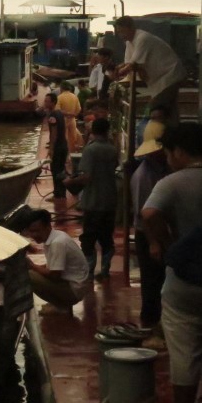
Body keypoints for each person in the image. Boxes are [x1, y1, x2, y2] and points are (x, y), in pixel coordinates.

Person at [141, 122, 202, 403]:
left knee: (184, 355)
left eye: (169, 152)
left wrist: (162, 243)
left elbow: (149, 213)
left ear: (181, 152)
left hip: (183, 282)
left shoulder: (170, 183)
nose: (168, 159)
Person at [64, 118, 118, 281]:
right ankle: (105, 269)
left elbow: (86, 177)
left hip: (93, 201)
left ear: (93, 131)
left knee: (88, 237)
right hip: (110, 200)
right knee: (106, 237)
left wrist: (69, 182)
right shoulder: (112, 149)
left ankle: (89, 271)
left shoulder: (91, 150)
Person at [130, 120, 170, 328]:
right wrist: (153, 242)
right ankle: (150, 325)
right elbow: (143, 214)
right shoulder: (144, 176)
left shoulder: (163, 170)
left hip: (159, 231)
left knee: (161, 279)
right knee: (152, 282)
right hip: (148, 235)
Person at [114, 16, 187, 125]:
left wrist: (120, 72)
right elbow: (128, 63)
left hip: (171, 74)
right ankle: (172, 134)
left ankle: (160, 134)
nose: (121, 35)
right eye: (119, 32)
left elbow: (133, 64)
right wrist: (119, 68)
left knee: (157, 107)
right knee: (170, 110)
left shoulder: (143, 38)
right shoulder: (130, 43)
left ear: (131, 28)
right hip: (159, 80)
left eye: (122, 31)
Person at [22, 208, 91, 314]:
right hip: (74, 284)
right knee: (33, 272)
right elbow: (53, 265)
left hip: (74, 289)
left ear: (48, 226)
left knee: (30, 276)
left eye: (37, 231)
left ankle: (60, 305)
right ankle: (60, 303)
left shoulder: (57, 243)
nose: (34, 235)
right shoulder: (55, 236)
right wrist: (36, 266)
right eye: (31, 231)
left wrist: (32, 266)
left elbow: (54, 275)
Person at [43, 93, 69, 199]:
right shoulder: (59, 113)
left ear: (53, 102)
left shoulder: (53, 115)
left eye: (47, 101)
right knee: (62, 170)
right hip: (64, 145)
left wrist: (51, 149)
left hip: (58, 147)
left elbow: (54, 133)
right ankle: (62, 192)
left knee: (55, 170)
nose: (45, 103)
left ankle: (57, 194)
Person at [57, 81, 83, 151]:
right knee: (72, 138)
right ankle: (72, 153)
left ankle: (66, 155)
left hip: (62, 120)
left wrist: (68, 114)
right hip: (72, 120)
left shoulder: (59, 97)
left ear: (61, 88)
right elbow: (79, 109)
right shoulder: (74, 97)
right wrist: (73, 114)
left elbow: (58, 111)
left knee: (63, 138)